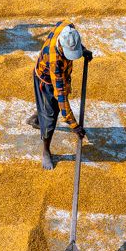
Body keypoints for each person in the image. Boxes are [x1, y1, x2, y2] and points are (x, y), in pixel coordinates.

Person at [27, 21, 88, 170]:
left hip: (56, 74)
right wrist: (74, 126)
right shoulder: (55, 63)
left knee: (48, 108)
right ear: (61, 47)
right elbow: (61, 97)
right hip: (46, 81)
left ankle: (36, 116)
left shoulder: (67, 27)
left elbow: (65, 28)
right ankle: (46, 151)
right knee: (50, 118)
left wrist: (83, 50)